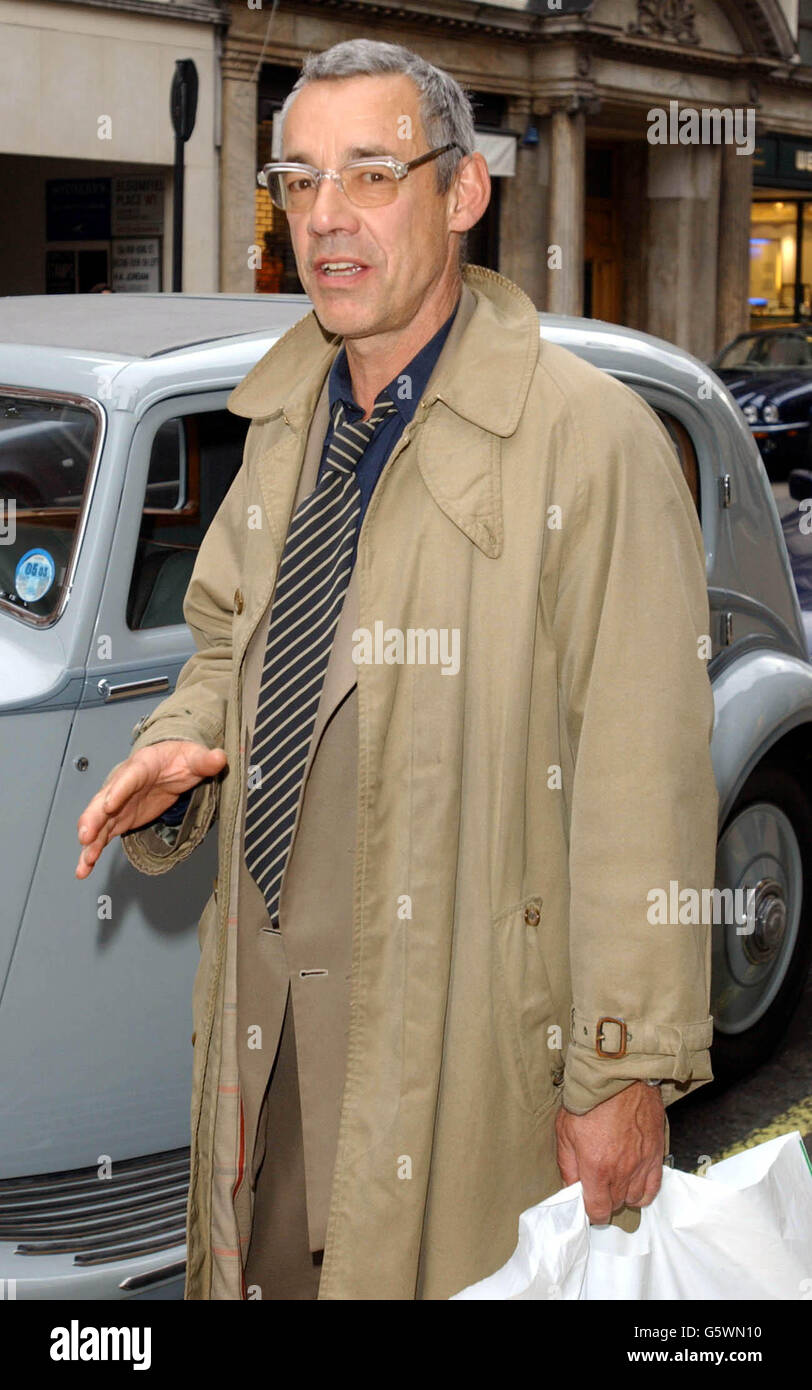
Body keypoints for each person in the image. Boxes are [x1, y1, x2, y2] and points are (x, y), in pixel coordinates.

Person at [75, 38, 718, 1301]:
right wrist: (186, 738)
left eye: (370, 174)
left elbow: (640, 777)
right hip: (265, 1020)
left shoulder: (588, 443)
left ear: (461, 192)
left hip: (458, 1033)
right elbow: (226, 635)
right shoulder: (282, 422)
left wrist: (620, 1066)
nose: (326, 219)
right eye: (297, 181)